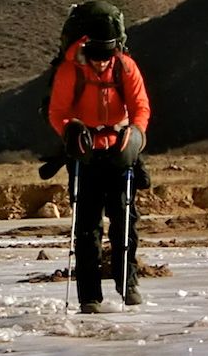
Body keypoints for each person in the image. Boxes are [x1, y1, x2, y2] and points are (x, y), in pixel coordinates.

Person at [48, 29, 150, 313]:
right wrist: (70, 130)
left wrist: (136, 135)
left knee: (125, 220)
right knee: (87, 227)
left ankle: (127, 285)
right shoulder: (71, 71)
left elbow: (141, 106)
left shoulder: (125, 67)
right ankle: (89, 296)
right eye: (96, 57)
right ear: (86, 50)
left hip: (120, 150)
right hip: (86, 154)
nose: (102, 63)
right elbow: (57, 111)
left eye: (106, 57)